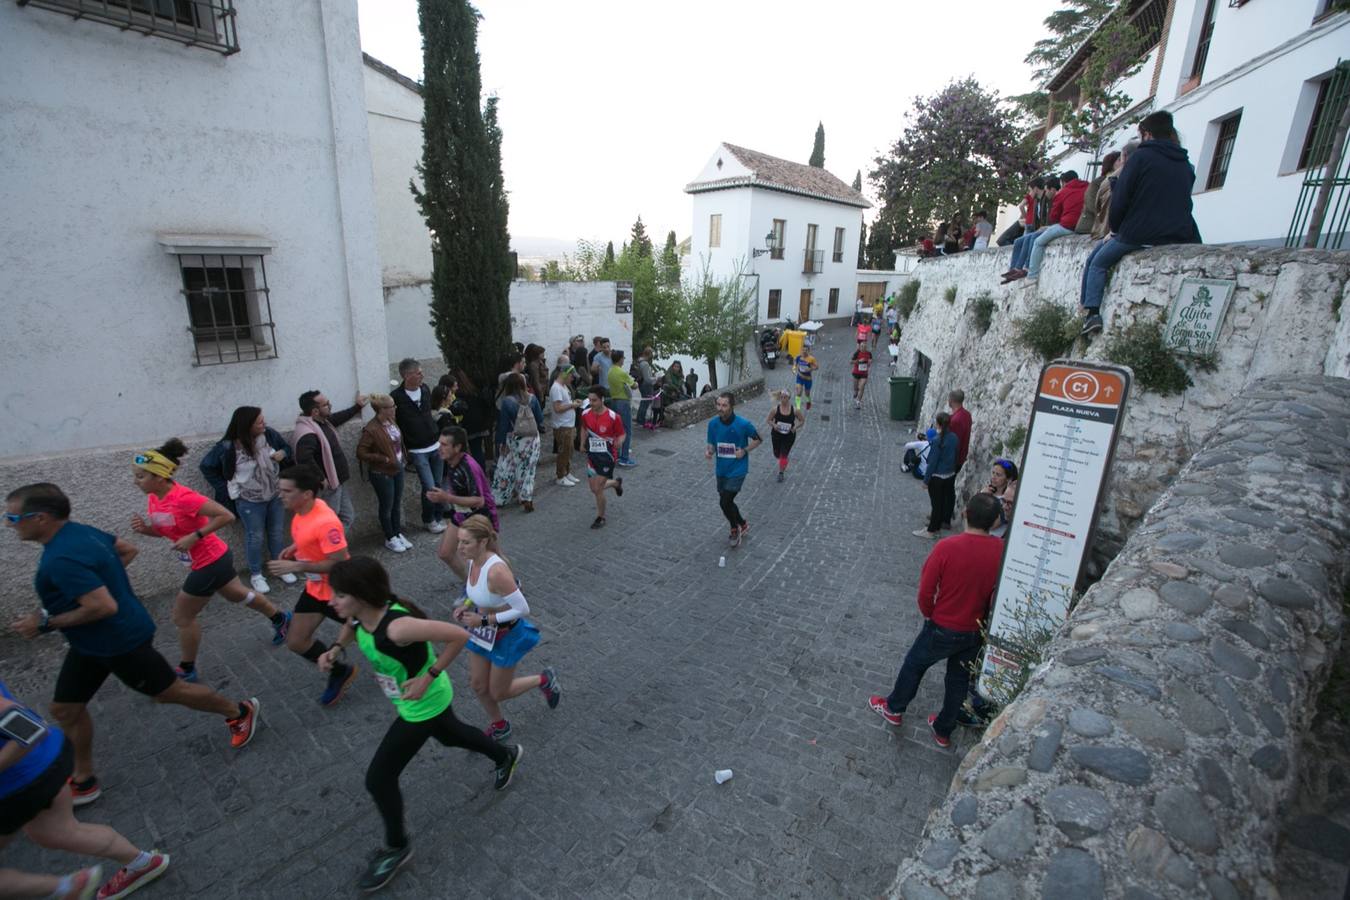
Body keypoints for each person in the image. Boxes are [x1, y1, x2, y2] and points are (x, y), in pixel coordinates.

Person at [6, 483, 261, 808]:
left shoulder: (61, 558)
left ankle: (239, 711)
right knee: (65, 709)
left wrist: (43, 622)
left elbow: (102, 607)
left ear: (40, 518)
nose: (8, 524)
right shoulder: (81, 532)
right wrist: (104, 582)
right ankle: (83, 779)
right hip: (89, 643)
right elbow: (127, 550)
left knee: (169, 692)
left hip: (118, 640)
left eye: (13, 518)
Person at [318, 558, 521, 892]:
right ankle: (504, 755)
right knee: (451, 736)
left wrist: (428, 676)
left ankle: (397, 848)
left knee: (379, 778)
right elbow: (352, 625)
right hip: (411, 700)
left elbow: (457, 635)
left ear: (361, 595)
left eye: (339, 595)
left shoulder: (397, 627)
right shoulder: (360, 615)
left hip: (423, 703)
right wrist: (337, 648)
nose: (332, 601)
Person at [130, 440, 290, 681]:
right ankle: (281, 618)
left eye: (141, 476)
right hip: (205, 560)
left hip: (210, 561)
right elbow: (168, 530)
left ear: (160, 477)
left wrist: (195, 536)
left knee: (182, 617)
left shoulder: (184, 497)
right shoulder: (155, 498)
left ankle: (187, 668)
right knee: (236, 594)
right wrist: (146, 530)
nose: (136, 481)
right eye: (136, 476)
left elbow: (225, 515)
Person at [0, 680, 170, 900]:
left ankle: (65, 889)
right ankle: (143, 863)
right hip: (44, 762)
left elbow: (30, 727)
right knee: (56, 833)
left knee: (57, 832)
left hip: (23, 781)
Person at [869, 493, 1004, 747]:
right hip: (974, 630)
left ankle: (894, 708)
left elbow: (926, 590)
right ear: (996, 521)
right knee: (958, 681)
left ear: (964, 513)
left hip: (943, 624)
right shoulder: (1001, 551)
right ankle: (943, 730)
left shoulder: (947, 547)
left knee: (914, 665)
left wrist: (930, 613)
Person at [1081, 111, 1200, 336]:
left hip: (1139, 233)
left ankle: (1091, 313)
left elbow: (1122, 199)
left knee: (1097, 261)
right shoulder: (1185, 162)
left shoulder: (1141, 158)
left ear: (1146, 134)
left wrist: (1116, 229)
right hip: (1178, 231)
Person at [450, 517, 559, 742]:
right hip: (483, 633)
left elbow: (522, 608)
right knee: (479, 686)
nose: (459, 548)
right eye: (459, 541)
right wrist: (466, 606)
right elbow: (477, 592)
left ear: (482, 543)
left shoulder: (496, 571)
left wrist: (482, 621)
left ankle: (543, 679)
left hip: (505, 634)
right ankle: (499, 724)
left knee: (499, 692)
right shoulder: (472, 561)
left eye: (466, 543)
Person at [265, 465, 360, 707]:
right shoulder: (301, 511)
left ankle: (416, 661)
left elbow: (339, 563)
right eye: (281, 490)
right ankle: (340, 671)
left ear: (306, 493)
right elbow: (309, 538)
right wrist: (296, 548)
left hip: (341, 593)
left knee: (381, 636)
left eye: (287, 491)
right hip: (315, 591)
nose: (281, 495)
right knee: (296, 641)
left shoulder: (326, 522)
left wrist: (297, 567)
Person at [198, 406, 294, 595]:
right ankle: (256, 575)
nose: (263, 424)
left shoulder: (270, 435)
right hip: (248, 500)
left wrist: (283, 453)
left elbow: (286, 448)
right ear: (247, 425)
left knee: (276, 532)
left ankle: (279, 567)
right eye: (259, 421)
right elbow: (206, 466)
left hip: (274, 494)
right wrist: (225, 487)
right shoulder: (228, 446)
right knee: (255, 536)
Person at [428, 425, 499, 582]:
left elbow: (479, 501)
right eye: (439, 444)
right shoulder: (451, 460)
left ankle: (510, 584)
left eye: (444, 445)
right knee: (445, 553)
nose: (440, 448)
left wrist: (446, 497)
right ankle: (470, 585)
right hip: (461, 513)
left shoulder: (469, 466)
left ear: (457, 447)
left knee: (492, 557)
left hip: (480, 517)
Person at [293, 388, 369, 529]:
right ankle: (326, 550)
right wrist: (321, 478)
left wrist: (357, 407)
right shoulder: (307, 433)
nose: (330, 406)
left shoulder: (321, 423)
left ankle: (335, 548)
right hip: (328, 486)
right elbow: (304, 459)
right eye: (326, 404)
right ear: (315, 411)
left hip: (337, 482)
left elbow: (338, 417)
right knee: (328, 524)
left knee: (347, 517)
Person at [391, 359, 446, 536]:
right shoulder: (396, 397)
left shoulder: (425, 390)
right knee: (429, 487)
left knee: (437, 484)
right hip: (417, 449)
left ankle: (438, 516)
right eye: (419, 372)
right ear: (407, 375)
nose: (422, 375)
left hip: (435, 445)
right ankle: (428, 520)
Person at [705, 392, 762, 548]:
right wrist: (709, 451)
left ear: (731, 406)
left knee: (725, 501)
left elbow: (758, 439)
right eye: (718, 405)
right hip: (721, 470)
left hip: (738, 469)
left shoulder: (743, 424)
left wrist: (744, 451)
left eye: (724, 405)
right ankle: (742, 524)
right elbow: (711, 443)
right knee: (727, 502)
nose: (720, 408)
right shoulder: (713, 424)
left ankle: (734, 528)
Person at [357, 394, 411, 554]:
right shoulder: (371, 429)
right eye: (392, 406)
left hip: (397, 468)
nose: (395, 408)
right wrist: (383, 459)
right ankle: (390, 537)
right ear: (381, 410)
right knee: (386, 506)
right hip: (382, 472)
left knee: (396, 504)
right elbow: (361, 452)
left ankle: (397, 533)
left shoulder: (391, 422)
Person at [1012, 170, 1089, 283]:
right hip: (1084, 224)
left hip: (1067, 225)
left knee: (1038, 241)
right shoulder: (1088, 187)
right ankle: (1016, 269)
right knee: (1023, 240)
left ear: (1063, 182)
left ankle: (1032, 275)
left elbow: (1054, 216)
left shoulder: (1063, 192)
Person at [491, 374, 544, 513]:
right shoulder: (532, 398)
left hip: (514, 439)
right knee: (528, 468)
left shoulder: (507, 401)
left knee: (507, 466)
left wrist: (501, 442)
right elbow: (540, 418)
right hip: (532, 439)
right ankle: (525, 496)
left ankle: (500, 497)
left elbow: (503, 425)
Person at [579, 386, 625, 529]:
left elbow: (623, 434)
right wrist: (581, 443)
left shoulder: (613, 417)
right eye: (590, 400)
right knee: (593, 488)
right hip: (593, 456)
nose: (591, 403)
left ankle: (601, 517)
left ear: (602, 400)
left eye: (595, 400)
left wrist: (619, 442)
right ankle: (615, 483)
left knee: (598, 488)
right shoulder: (585, 414)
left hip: (608, 456)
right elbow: (584, 429)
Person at [914, 412, 958, 539]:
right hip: (949, 475)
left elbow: (932, 462)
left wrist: (926, 481)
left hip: (937, 477)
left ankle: (931, 530)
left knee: (936, 504)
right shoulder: (954, 438)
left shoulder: (937, 441)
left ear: (938, 424)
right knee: (942, 502)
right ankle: (937, 527)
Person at [548, 365, 582, 486]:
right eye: (572, 376)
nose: (573, 379)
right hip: (562, 425)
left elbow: (564, 404)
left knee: (568, 450)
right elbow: (557, 408)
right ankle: (560, 476)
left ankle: (566, 472)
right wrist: (572, 405)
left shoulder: (563, 386)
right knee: (564, 451)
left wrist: (573, 403)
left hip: (567, 424)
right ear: (565, 374)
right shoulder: (556, 388)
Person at [1074, 152, 1119, 238]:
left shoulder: (1120, 179)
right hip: (1090, 225)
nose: (1123, 161)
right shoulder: (1097, 183)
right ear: (1111, 163)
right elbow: (1093, 205)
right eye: (1119, 160)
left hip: (1107, 227)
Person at [606, 349, 638, 467]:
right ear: (620, 359)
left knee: (616, 430)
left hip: (614, 401)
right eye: (623, 357)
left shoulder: (610, 371)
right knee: (626, 430)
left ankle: (617, 454)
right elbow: (634, 385)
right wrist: (636, 382)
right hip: (623, 402)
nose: (624, 359)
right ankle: (624, 457)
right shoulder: (622, 372)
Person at [765, 390, 804, 483]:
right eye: (781, 397)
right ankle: (782, 459)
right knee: (777, 454)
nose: (783, 399)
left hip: (789, 436)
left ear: (789, 398)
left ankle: (781, 473)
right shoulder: (775, 409)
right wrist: (774, 425)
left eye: (785, 397)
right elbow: (768, 420)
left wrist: (795, 427)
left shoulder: (795, 410)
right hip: (776, 435)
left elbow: (802, 420)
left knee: (783, 455)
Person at [981, 458, 1019, 538]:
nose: (994, 477)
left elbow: (991, 525)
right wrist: (981, 496)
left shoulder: (1008, 501)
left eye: (998, 475)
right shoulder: (986, 492)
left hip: (994, 541)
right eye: (993, 473)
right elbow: (968, 515)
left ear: (1009, 479)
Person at [947, 390, 972, 476]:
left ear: (951, 401)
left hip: (953, 460)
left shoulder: (955, 420)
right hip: (961, 456)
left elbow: (953, 443)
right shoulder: (967, 414)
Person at [635, 347, 658, 429]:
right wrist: (656, 378)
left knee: (644, 402)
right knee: (645, 402)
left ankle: (640, 419)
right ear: (649, 354)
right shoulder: (645, 364)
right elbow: (647, 379)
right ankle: (641, 420)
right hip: (646, 386)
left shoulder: (640, 361)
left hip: (642, 385)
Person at [792, 346, 819, 411]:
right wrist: (794, 370)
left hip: (808, 379)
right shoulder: (798, 357)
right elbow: (795, 365)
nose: (804, 351)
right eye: (803, 350)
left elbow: (817, 367)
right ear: (801, 350)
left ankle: (808, 401)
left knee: (807, 394)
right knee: (799, 392)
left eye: (806, 350)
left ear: (808, 351)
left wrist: (811, 369)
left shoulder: (811, 359)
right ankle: (798, 408)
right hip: (800, 377)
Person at [851, 341, 873, 409]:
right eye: (862, 346)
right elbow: (851, 361)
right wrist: (859, 361)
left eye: (864, 347)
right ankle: (855, 391)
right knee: (856, 389)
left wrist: (870, 362)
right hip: (856, 372)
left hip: (864, 373)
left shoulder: (869, 353)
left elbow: (870, 360)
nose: (863, 348)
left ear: (866, 347)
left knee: (862, 386)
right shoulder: (857, 353)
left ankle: (858, 401)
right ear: (860, 347)